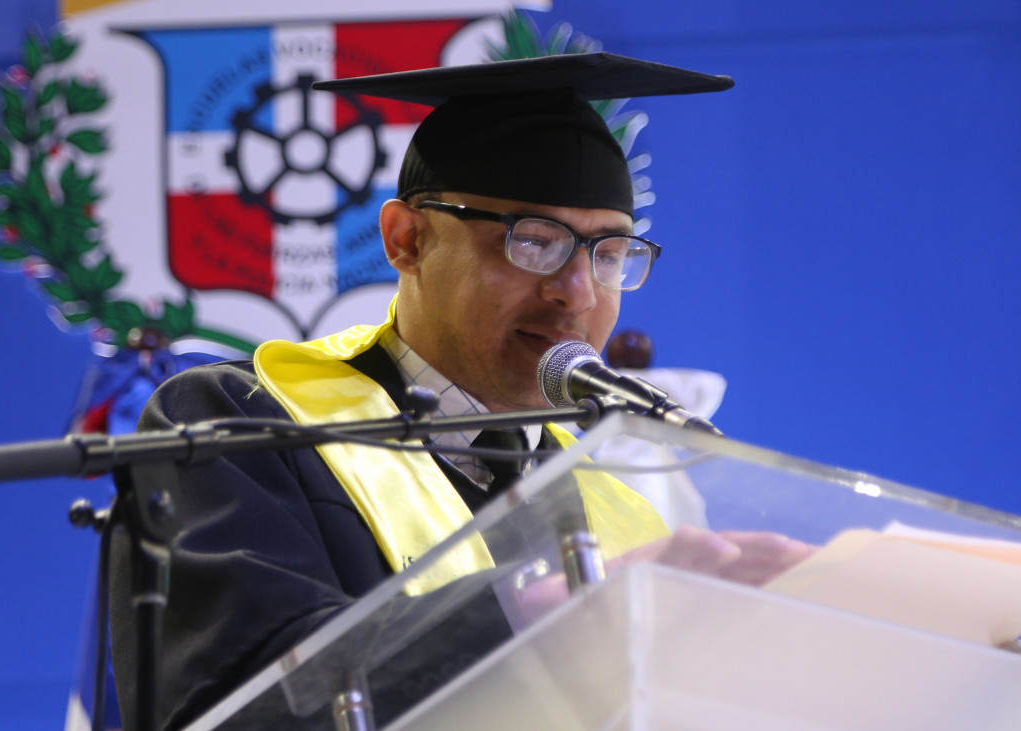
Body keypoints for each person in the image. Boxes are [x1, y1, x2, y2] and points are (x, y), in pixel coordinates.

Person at [108, 53, 812, 731]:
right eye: (533, 240)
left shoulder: (617, 506)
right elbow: (242, 701)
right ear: (407, 240)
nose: (576, 291)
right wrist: (550, 609)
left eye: (609, 254)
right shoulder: (245, 428)